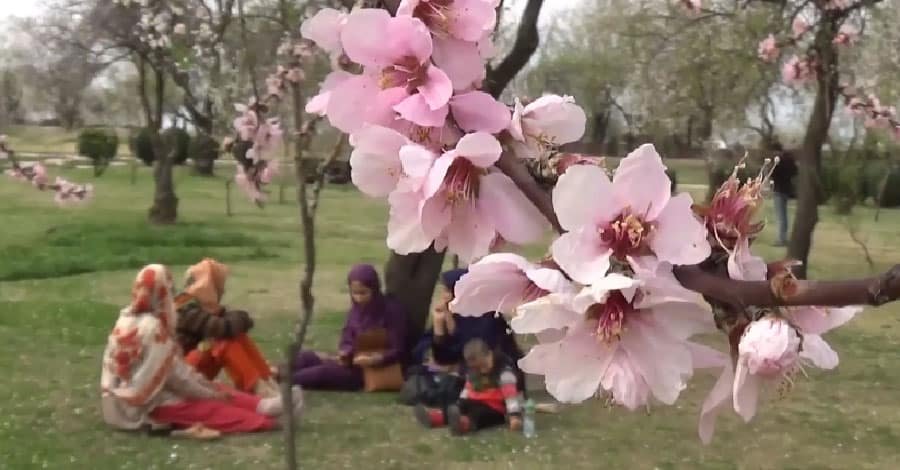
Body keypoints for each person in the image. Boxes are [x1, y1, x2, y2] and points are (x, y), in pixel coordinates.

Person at [100, 264, 302, 438]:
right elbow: (179, 378)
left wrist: (210, 390)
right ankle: (269, 421)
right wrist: (208, 394)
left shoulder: (127, 318)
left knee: (216, 387)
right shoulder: (159, 324)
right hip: (140, 408)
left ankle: (264, 405)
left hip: (124, 403)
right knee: (209, 407)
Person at [400, 269, 523, 409]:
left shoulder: (486, 317)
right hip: (459, 369)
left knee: (457, 381)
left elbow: (477, 351)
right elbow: (433, 352)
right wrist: (439, 327)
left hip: (495, 373)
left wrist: (453, 363)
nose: (444, 296)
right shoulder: (452, 313)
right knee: (418, 371)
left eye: (447, 291)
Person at [290, 264, 408, 391]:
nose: (359, 298)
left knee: (322, 372)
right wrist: (345, 353)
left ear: (374, 289)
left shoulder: (391, 311)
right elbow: (347, 338)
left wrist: (375, 359)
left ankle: (284, 379)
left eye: (363, 293)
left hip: (368, 371)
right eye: (355, 293)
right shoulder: (355, 311)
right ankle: (278, 372)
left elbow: (398, 350)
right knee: (306, 356)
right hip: (351, 362)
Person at [175, 258, 279, 397]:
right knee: (222, 340)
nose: (222, 290)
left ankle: (266, 380)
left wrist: (234, 319)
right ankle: (258, 390)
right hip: (180, 374)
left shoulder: (204, 307)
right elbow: (224, 327)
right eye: (218, 285)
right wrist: (234, 319)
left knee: (236, 336)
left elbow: (243, 321)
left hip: (193, 366)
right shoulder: (185, 309)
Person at [414, 338, 523, 435]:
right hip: (474, 400)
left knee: (479, 415)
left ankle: (462, 425)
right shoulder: (473, 372)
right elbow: (468, 387)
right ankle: (435, 418)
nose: (482, 371)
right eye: (477, 368)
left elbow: (510, 395)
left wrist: (514, 416)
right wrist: (460, 402)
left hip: (495, 407)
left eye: (484, 366)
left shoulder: (503, 371)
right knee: (457, 408)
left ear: (489, 354)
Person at [770, 142, 797, 247]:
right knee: (784, 215)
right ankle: (783, 237)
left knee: (780, 216)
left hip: (779, 190)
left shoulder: (778, 161)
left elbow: (773, 174)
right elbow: (795, 171)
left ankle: (781, 239)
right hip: (786, 189)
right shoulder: (789, 159)